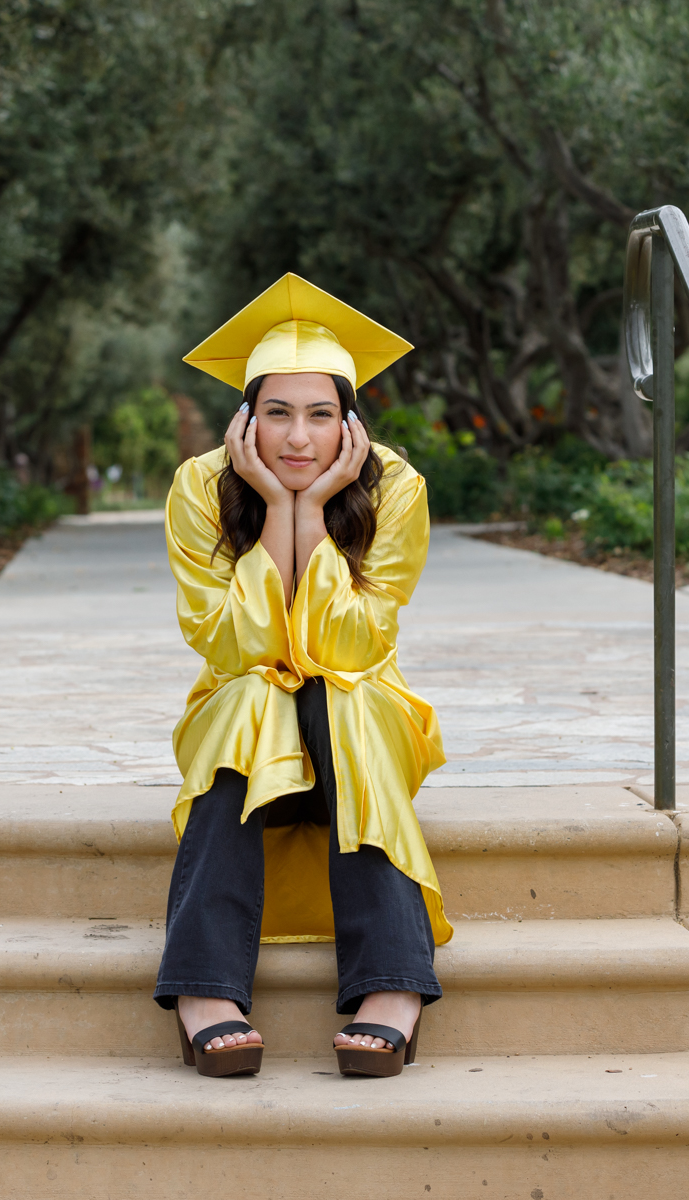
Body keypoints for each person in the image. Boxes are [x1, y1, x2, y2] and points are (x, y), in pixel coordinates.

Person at [154, 273, 451, 1078]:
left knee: (340, 693)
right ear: (245, 416)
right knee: (255, 692)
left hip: (360, 724)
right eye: (277, 412)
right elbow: (231, 647)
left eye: (322, 414)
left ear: (350, 421)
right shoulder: (200, 486)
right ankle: (204, 989)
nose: (297, 438)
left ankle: (392, 984)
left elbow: (349, 649)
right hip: (242, 727)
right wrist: (269, 508)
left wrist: (312, 510)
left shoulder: (395, 487)